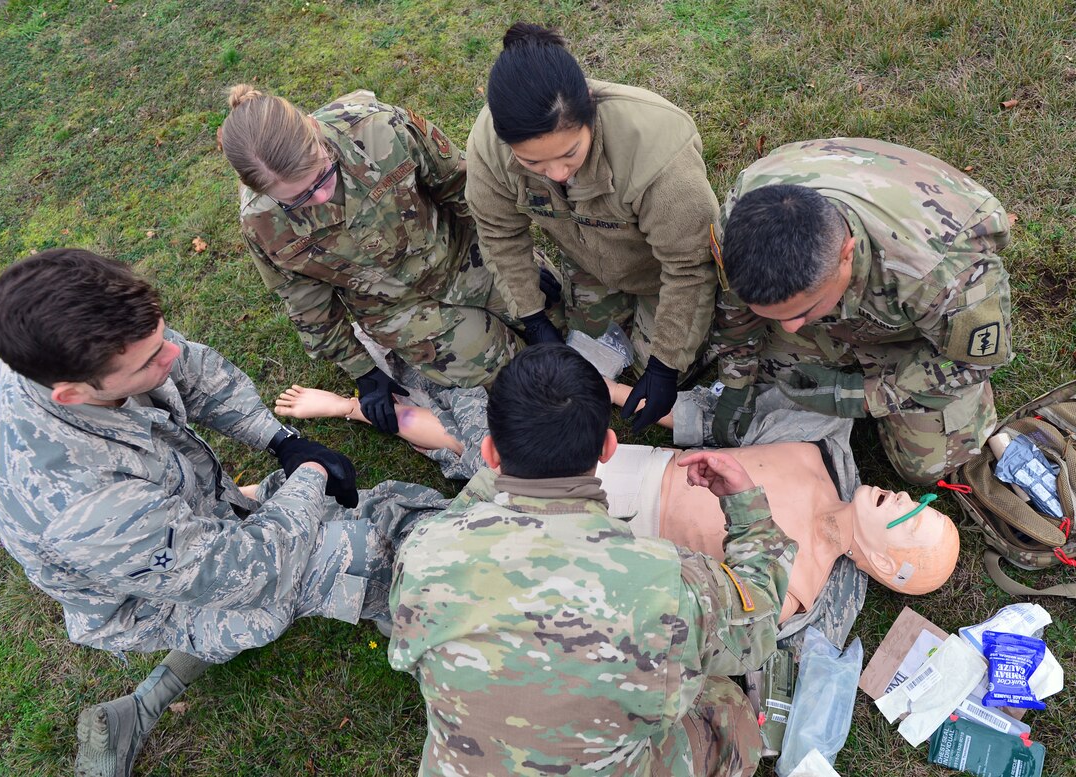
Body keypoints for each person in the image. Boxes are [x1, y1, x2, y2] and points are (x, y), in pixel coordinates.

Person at [0, 250, 447, 777]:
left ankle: (145, 703)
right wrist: (311, 476)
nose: (169, 356)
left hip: (182, 523)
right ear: (72, 395)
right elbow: (252, 568)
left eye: (162, 336)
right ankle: (424, 621)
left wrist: (283, 441)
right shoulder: (84, 509)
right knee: (353, 553)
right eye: (148, 361)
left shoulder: (65, 336)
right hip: (147, 600)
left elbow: (197, 374)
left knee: (324, 515)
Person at [387, 344, 795, 776]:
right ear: (608, 447)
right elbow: (757, 630)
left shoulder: (423, 551)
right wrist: (746, 509)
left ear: (489, 455)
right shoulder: (672, 584)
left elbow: (460, 521)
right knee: (725, 707)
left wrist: (514, 460)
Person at [276, 384, 960, 624]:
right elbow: (701, 416)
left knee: (442, 537)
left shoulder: (793, 586)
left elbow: (670, 604)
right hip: (630, 467)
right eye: (918, 500)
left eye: (908, 516)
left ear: (889, 565)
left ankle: (300, 504)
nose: (901, 496)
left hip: (609, 541)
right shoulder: (815, 451)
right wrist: (609, 387)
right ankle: (344, 411)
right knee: (482, 443)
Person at [220, 84, 557, 436]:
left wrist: (511, 265)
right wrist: (363, 371)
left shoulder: (380, 129)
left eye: (322, 175)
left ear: (313, 131)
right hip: (397, 308)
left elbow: (465, 190)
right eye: (298, 199)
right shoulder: (260, 222)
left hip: (461, 253)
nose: (320, 196)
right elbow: (307, 303)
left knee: (555, 315)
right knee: (510, 373)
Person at [707, 138, 1012, 484]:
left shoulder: (942, 274)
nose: (789, 329)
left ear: (847, 254)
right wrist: (736, 380)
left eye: (803, 311)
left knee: (926, 467)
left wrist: (859, 397)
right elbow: (734, 303)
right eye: (776, 314)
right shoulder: (740, 219)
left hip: (914, 328)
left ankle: (970, 410)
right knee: (772, 381)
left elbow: (972, 361)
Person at [465, 22, 722, 432]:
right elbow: (498, 233)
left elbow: (690, 266)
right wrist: (532, 317)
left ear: (589, 111)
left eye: (570, 154)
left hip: (661, 272)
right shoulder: (490, 146)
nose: (556, 173)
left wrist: (666, 365)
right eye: (533, 164)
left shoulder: (656, 151)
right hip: (588, 259)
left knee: (648, 369)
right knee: (581, 353)